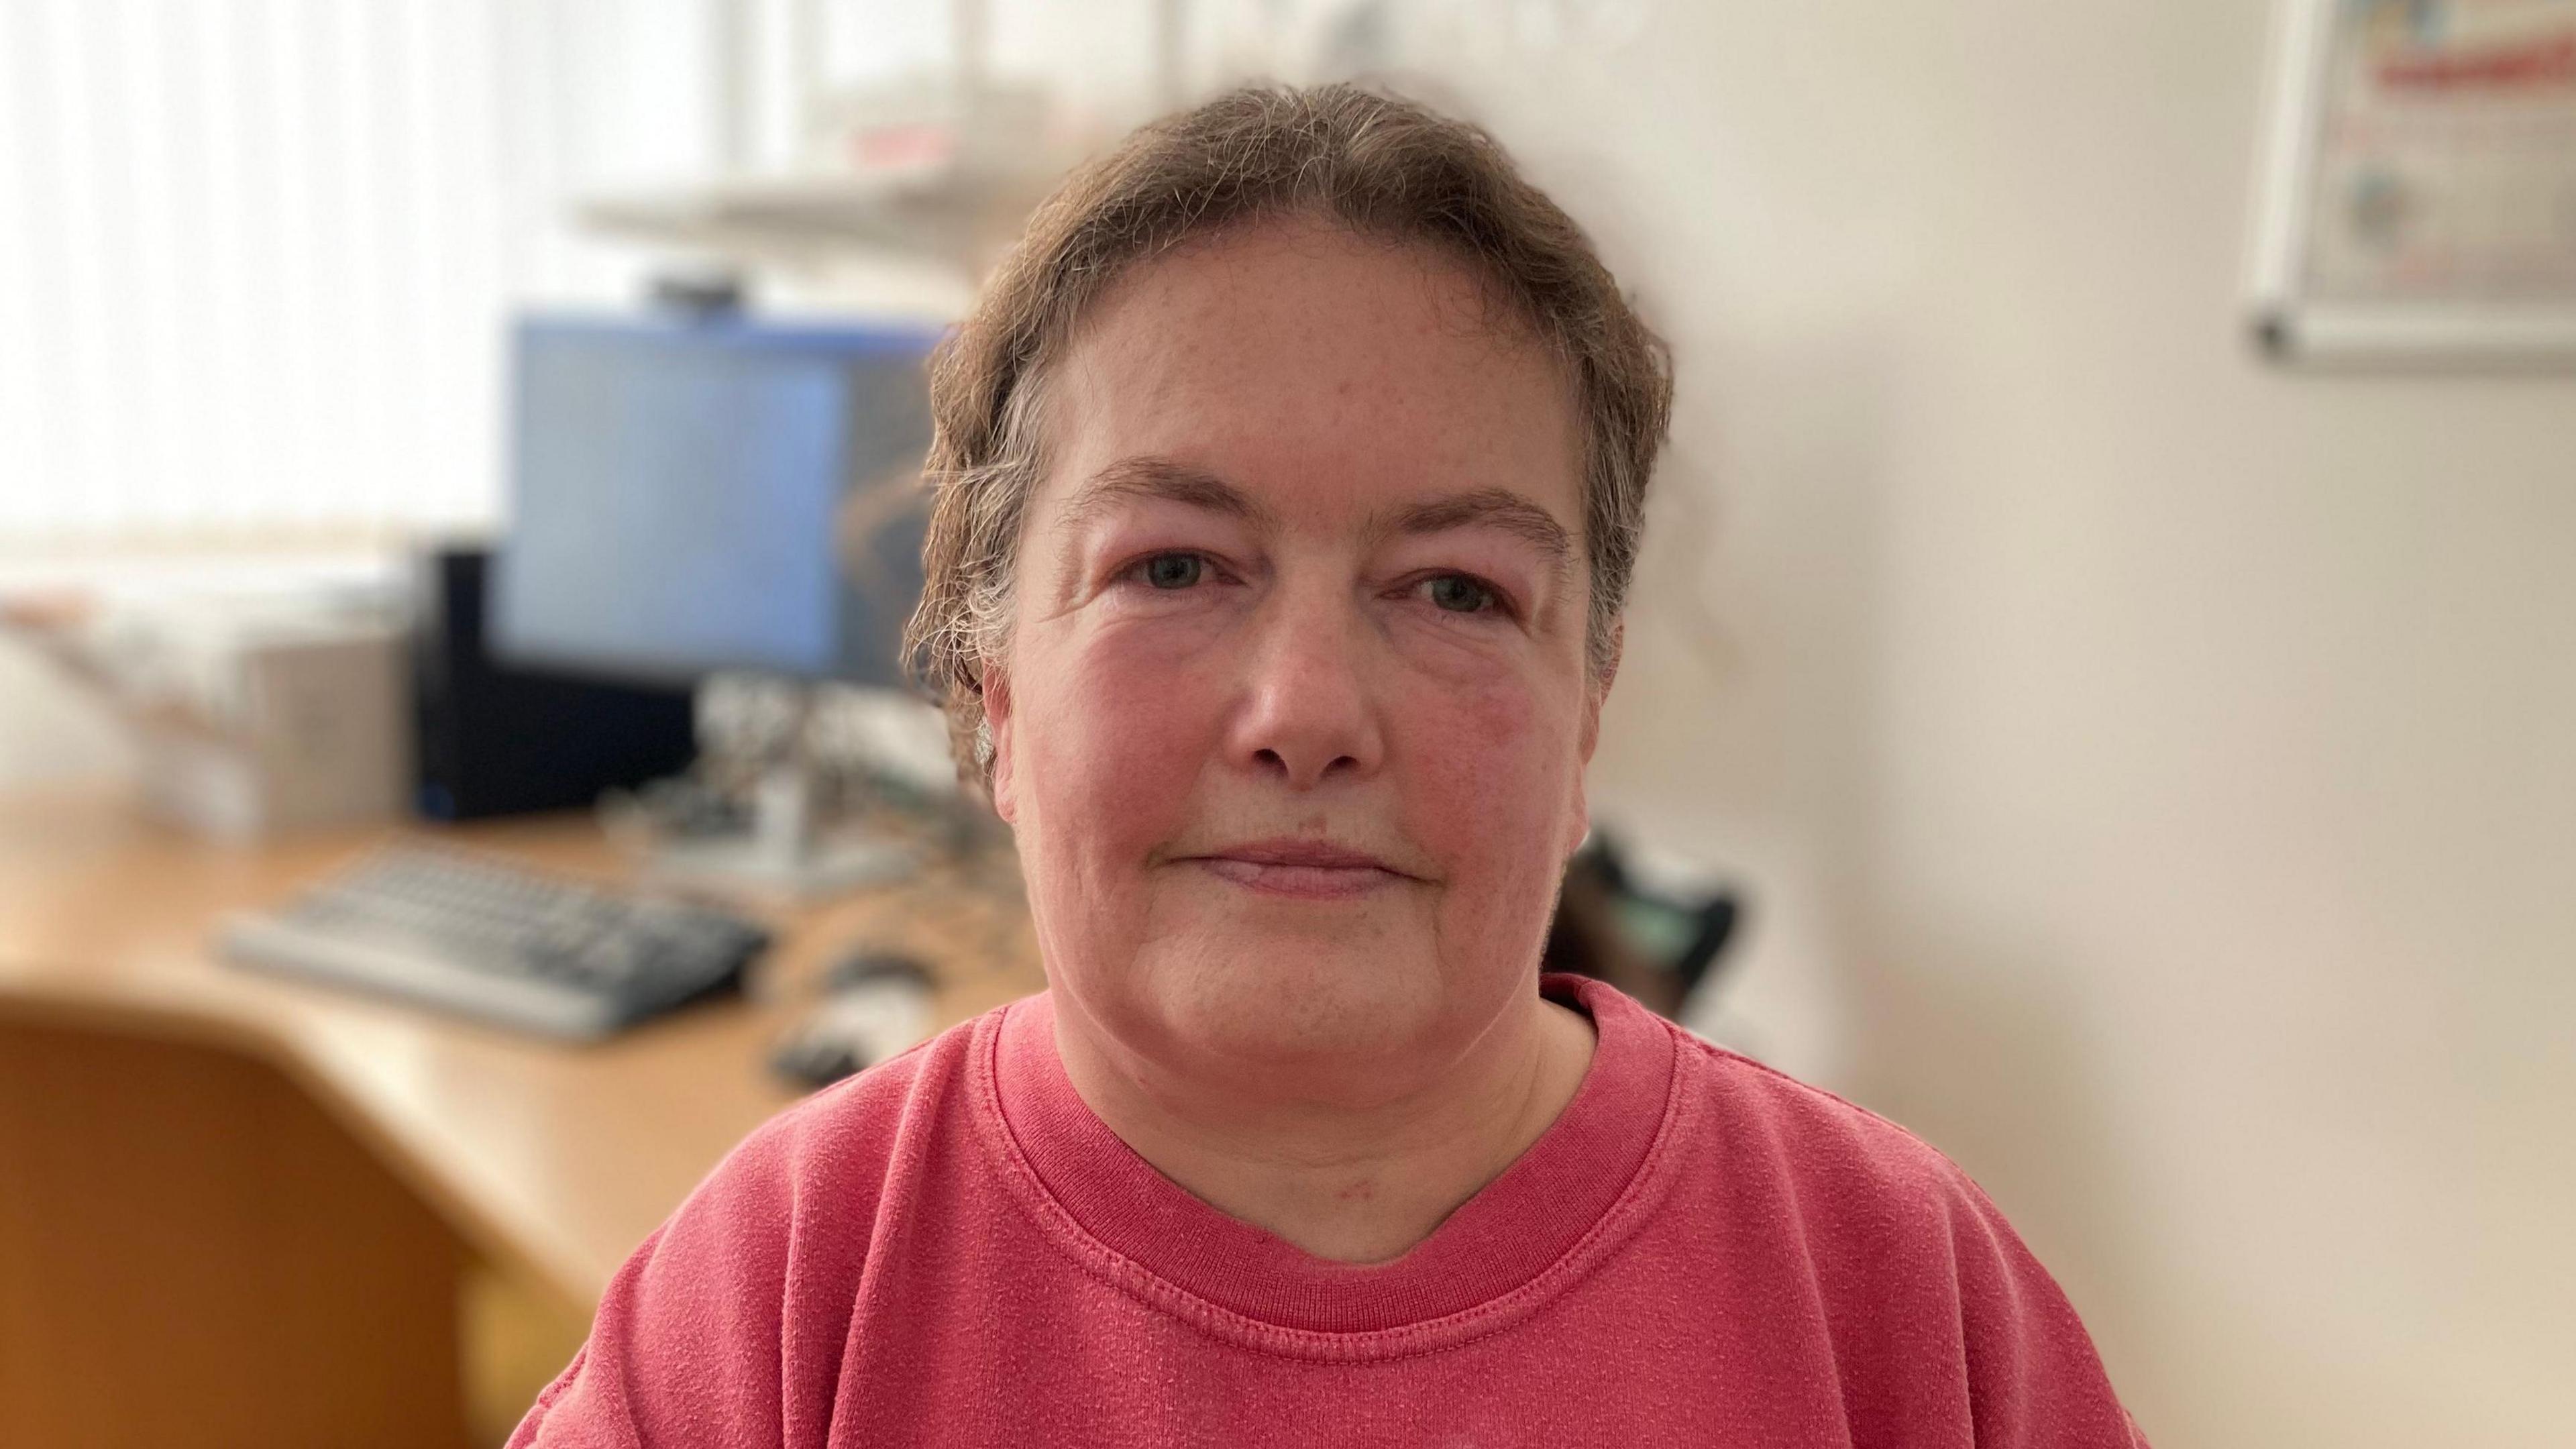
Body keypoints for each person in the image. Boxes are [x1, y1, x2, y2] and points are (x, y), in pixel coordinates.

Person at [511, 83, 2147, 1447]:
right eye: (1173, 566)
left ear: (1584, 717)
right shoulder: (779, 1304)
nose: (1306, 710)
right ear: (995, 691)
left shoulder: (1901, 1299)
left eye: (1455, 591)